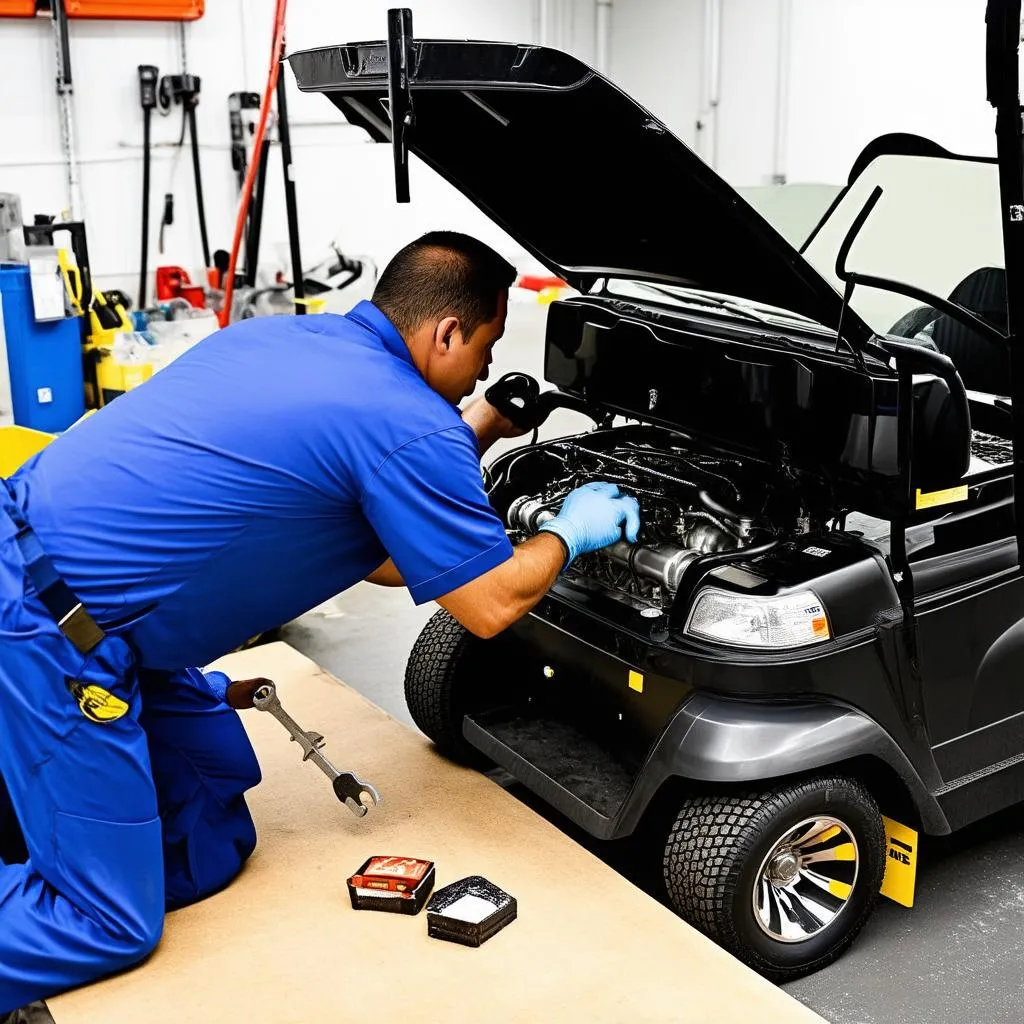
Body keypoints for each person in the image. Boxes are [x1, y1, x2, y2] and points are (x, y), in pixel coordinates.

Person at [0, 230, 640, 1010]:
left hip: (49, 573)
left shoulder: (286, 339)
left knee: (210, 824)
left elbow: (374, 538)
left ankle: (66, 837)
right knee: (107, 923)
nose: (483, 366)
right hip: (47, 635)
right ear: (446, 333)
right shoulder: (406, 422)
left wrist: (476, 427)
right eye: (487, 344)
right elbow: (489, 603)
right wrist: (568, 533)